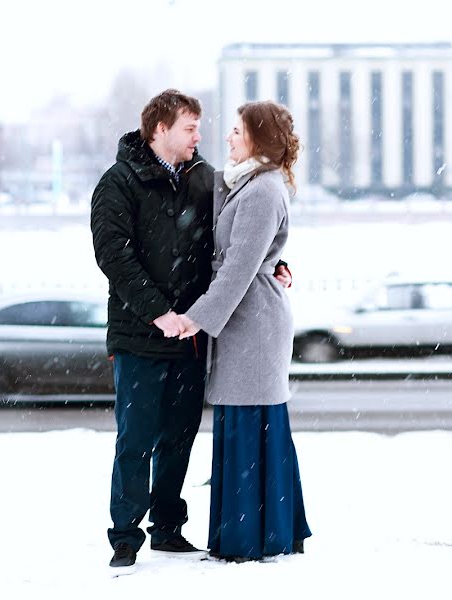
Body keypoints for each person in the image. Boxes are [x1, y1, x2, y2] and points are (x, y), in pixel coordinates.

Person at [90, 90, 291, 573]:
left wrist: (275, 261)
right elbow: (113, 255)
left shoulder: (206, 180)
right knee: (135, 439)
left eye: (200, 127)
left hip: (191, 335)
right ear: (159, 129)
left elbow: (239, 235)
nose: (200, 137)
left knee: (179, 438)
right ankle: (125, 535)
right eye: (190, 128)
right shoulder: (118, 182)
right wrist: (157, 311)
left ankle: (167, 527)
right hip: (141, 334)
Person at [175, 101, 312, 562]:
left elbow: (238, 268)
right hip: (241, 323)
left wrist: (196, 317)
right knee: (243, 428)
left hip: (252, 326)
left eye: (237, 131)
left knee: (250, 429)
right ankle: (256, 532)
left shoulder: (263, 190)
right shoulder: (244, 181)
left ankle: (250, 538)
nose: (228, 137)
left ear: (258, 137)